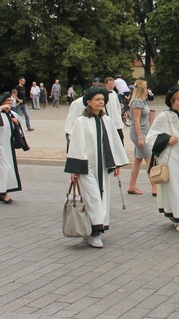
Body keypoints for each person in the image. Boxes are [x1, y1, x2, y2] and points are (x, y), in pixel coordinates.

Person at [65, 86, 129, 248]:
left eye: (102, 100)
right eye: (97, 100)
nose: (101, 102)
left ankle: (91, 230)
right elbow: (77, 145)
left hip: (102, 166)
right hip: (87, 167)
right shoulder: (81, 121)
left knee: (102, 198)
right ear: (88, 102)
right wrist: (75, 169)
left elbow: (113, 142)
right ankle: (94, 232)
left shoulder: (106, 120)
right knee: (93, 198)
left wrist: (115, 163)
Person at [146, 85, 179, 233]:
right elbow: (151, 136)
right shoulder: (164, 117)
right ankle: (178, 218)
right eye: (178, 100)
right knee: (176, 186)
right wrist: (166, 139)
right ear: (172, 101)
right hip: (172, 158)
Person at [0, 92, 28, 204]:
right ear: (2, 102)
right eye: (7, 101)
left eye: (11, 101)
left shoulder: (13, 115)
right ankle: (3, 193)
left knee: (9, 169)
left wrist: (16, 124)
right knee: (3, 169)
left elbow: (20, 132)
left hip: (8, 147)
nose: (10, 103)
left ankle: (3, 191)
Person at [126, 79, 154, 196]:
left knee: (138, 160)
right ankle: (155, 186)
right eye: (146, 87)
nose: (148, 90)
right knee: (149, 158)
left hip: (144, 131)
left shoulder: (143, 101)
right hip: (139, 132)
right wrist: (140, 137)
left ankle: (131, 185)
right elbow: (136, 120)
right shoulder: (137, 102)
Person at [103, 77, 126, 143]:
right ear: (106, 84)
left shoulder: (114, 93)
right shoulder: (104, 94)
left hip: (116, 118)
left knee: (120, 136)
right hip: (109, 117)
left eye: (113, 83)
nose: (111, 85)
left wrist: (119, 115)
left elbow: (118, 105)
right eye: (110, 83)